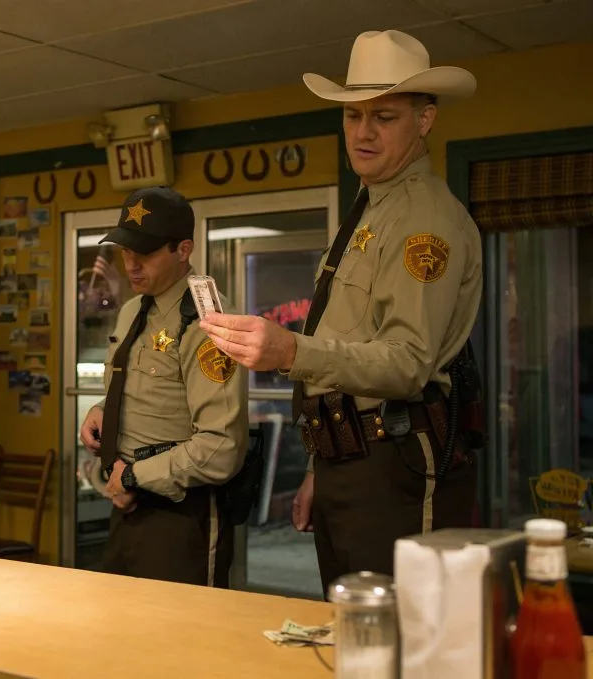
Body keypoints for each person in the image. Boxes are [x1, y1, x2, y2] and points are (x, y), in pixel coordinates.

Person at [200, 29, 483, 592]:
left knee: (400, 629)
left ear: (425, 120)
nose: (363, 132)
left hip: (397, 468)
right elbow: (352, 342)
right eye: (354, 115)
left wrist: (288, 350)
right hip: (349, 460)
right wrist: (319, 467)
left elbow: (406, 363)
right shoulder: (371, 207)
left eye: (385, 117)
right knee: (351, 628)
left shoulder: (423, 218)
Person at [80, 186, 249, 587]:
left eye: (146, 253)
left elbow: (221, 447)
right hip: (126, 503)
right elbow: (148, 390)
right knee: (118, 620)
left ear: (183, 250)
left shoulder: (208, 321)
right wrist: (103, 410)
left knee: (182, 626)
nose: (132, 265)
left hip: (181, 514)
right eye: (126, 252)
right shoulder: (132, 311)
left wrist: (134, 476)